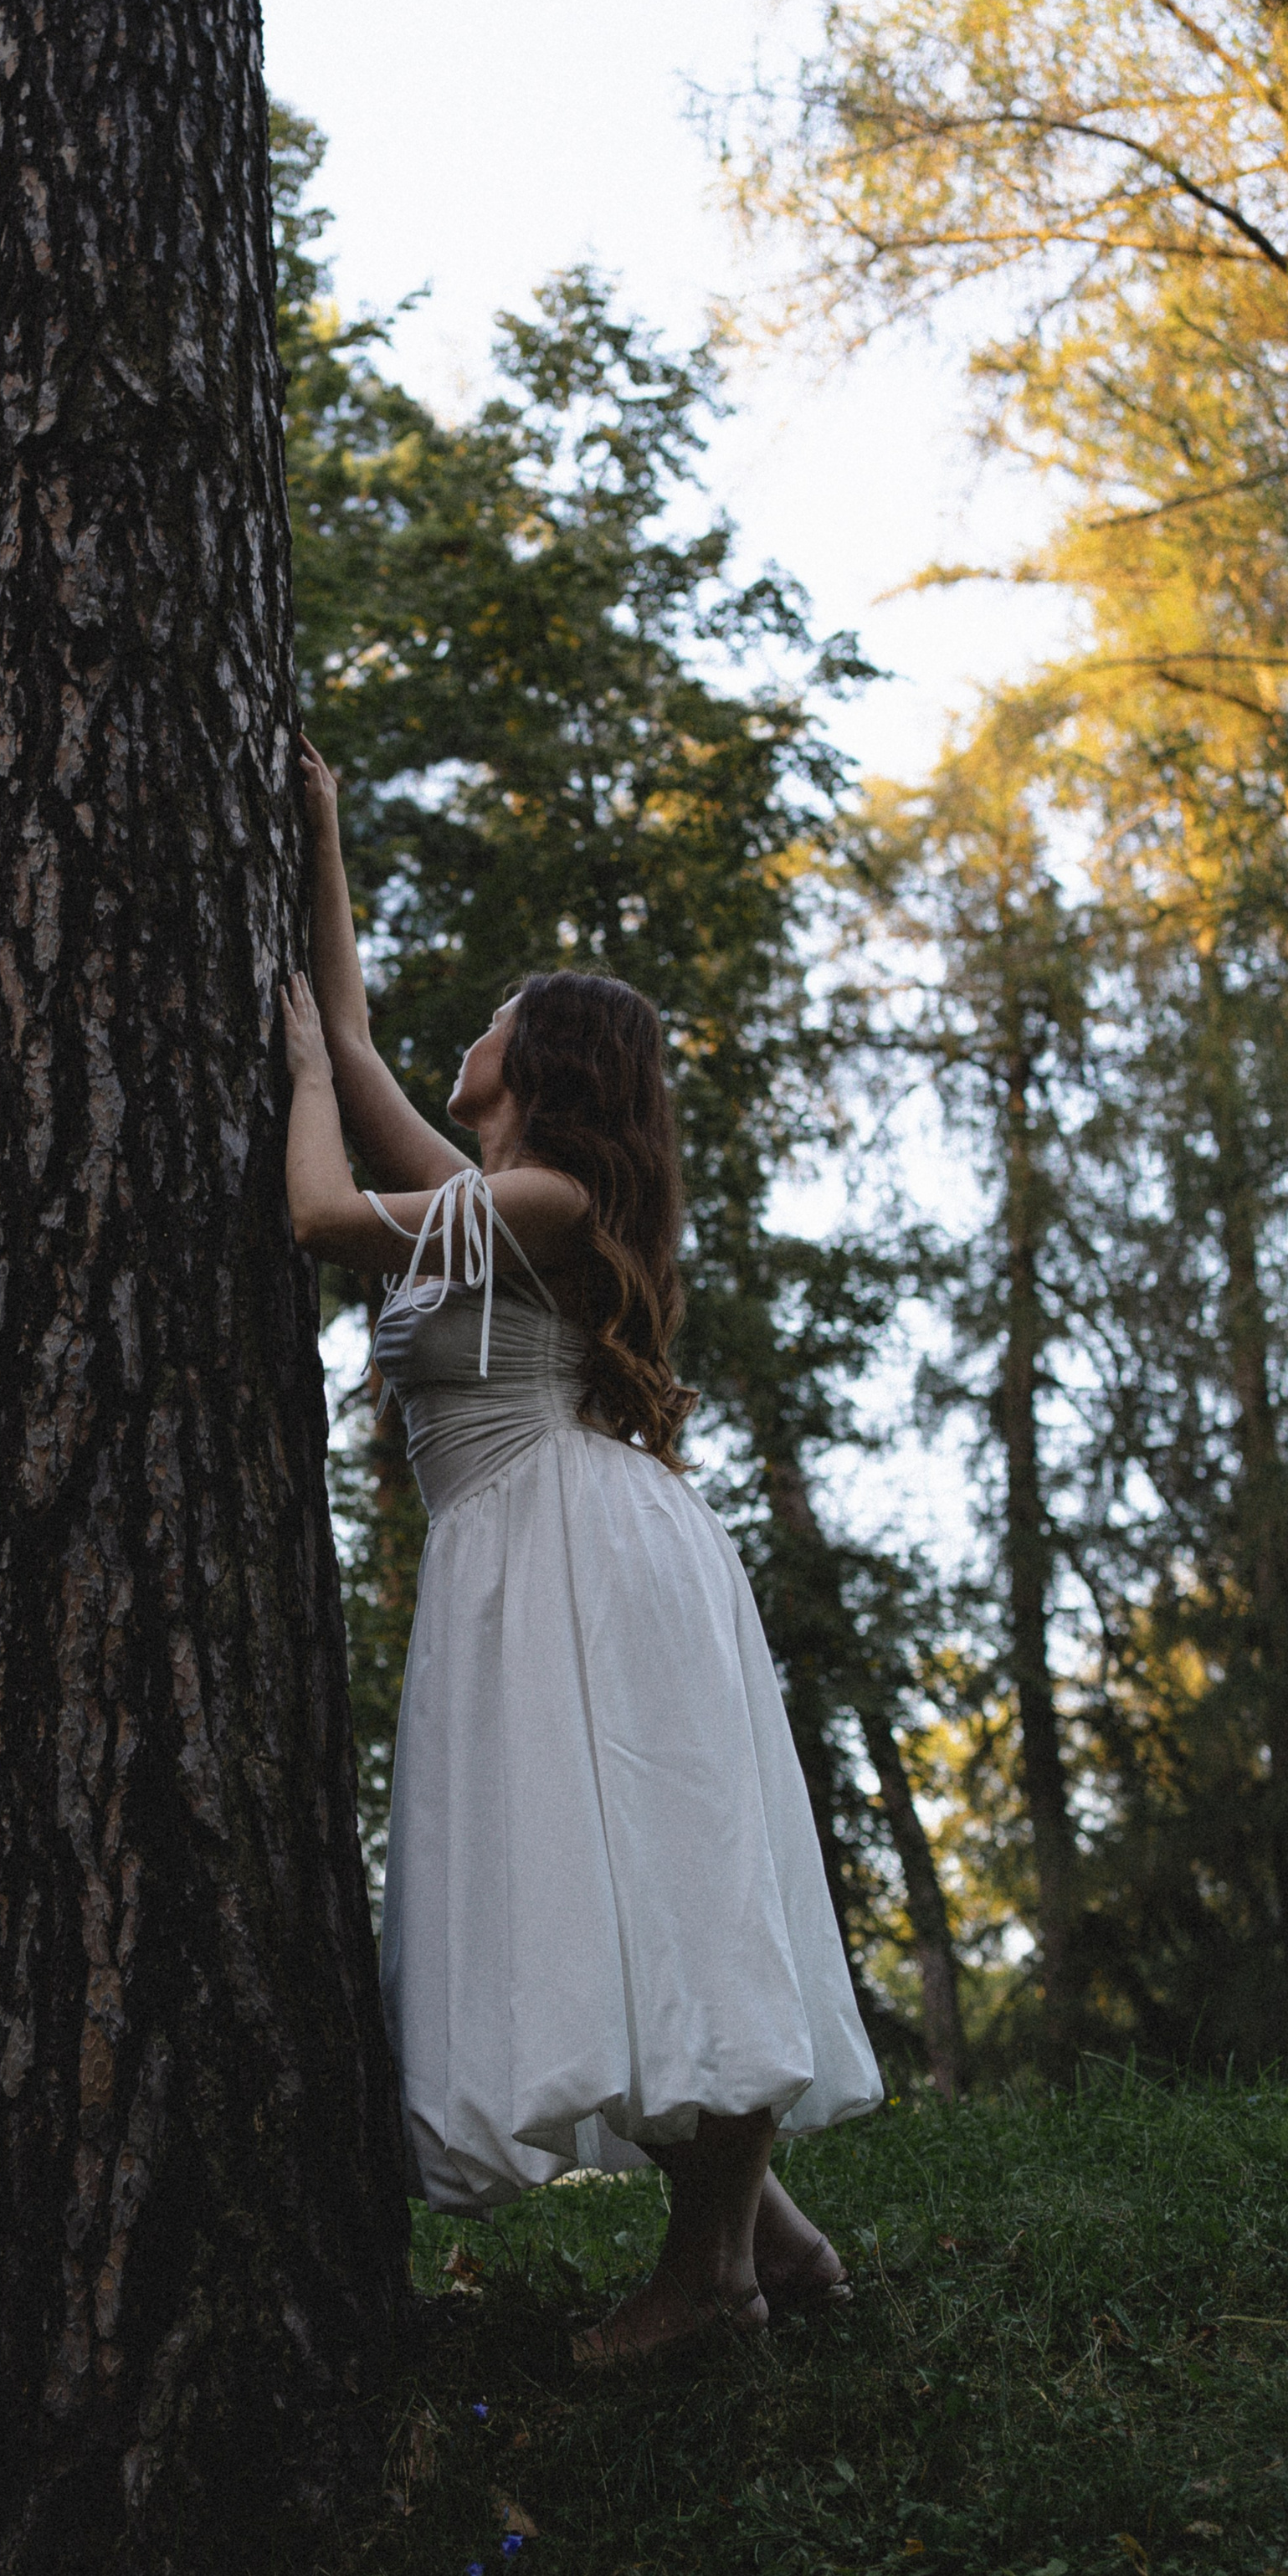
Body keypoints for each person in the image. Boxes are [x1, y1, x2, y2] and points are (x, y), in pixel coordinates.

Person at [278, 734, 882, 2362]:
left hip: (577, 1550)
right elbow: (350, 1035)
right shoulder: (491, 1194)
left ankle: (714, 2278)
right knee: (617, 1894)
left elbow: (321, 1215)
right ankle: (771, 2241)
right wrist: (318, 833)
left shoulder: (536, 1207)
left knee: (668, 1885)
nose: (458, 1034)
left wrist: (285, 1082)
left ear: (532, 1063)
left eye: (489, 1018)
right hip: (511, 1553)